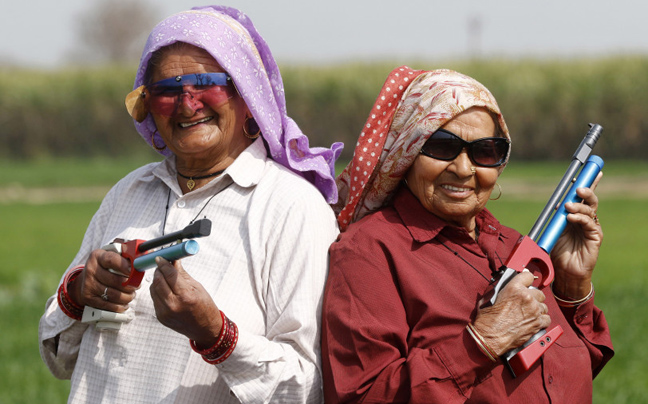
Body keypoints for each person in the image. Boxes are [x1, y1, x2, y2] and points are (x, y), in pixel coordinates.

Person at [39, 5, 342, 403]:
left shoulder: (291, 208)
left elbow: (308, 386)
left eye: (207, 84)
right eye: (166, 91)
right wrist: (79, 293)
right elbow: (59, 360)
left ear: (247, 95)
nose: (187, 104)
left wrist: (215, 333)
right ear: (148, 105)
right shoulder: (130, 193)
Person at [321, 67, 613, 403]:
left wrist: (572, 288)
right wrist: (480, 343)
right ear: (408, 153)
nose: (463, 169)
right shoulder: (369, 252)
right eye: (443, 147)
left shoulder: (513, 244)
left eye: (485, 151)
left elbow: (565, 371)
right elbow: (364, 397)